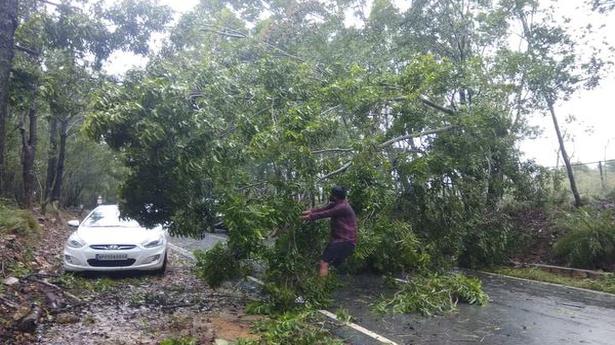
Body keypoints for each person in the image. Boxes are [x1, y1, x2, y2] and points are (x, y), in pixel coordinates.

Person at [301, 186, 357, 277]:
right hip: (342, 241)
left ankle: (320, 290)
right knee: (332, 265)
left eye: (331, 194)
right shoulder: (337, 204)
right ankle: (328, 282)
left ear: (335, 196)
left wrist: (302, 218)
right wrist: (303, 212)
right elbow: (321, 210)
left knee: (324, 263)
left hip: (344, 241)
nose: (330, 196)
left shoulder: (342, 207)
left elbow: (325, 214)